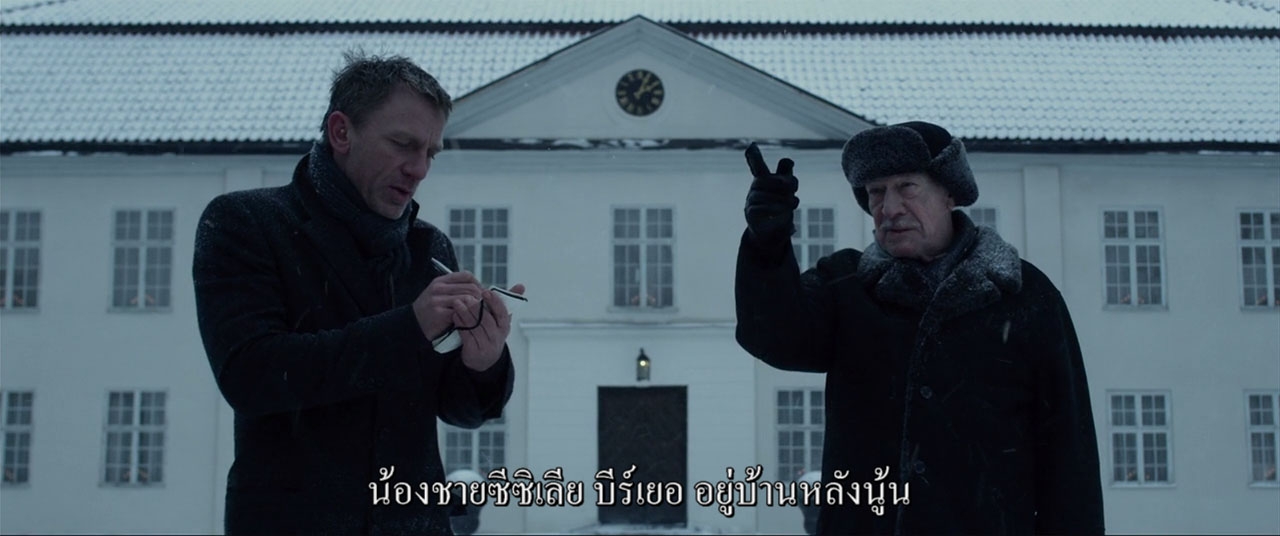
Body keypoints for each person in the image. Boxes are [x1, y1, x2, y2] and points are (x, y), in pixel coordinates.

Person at [193, 52, 522, 535]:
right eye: (404, 144)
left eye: (430, 153)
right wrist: (408, 328)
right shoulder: (245, 223)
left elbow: (458, 409)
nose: (419, 169)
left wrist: (483, 360)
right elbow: (251, 375)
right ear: (341, 132)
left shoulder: (428, 248)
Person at [735, 122, 1104, 535]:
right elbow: (771, 335)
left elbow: (1069, 453)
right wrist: (767, 247)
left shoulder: (1024, 296)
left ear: (950, 194)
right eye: (876, 192)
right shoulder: (847, 286)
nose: (889, 207)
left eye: (907, 187)